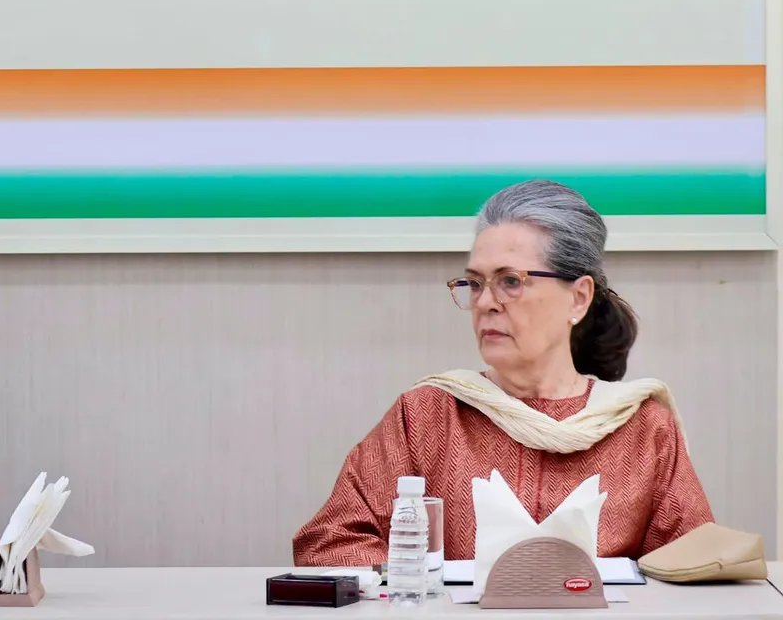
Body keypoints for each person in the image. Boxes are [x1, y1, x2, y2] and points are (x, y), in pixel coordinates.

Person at [293, 180, 713, 567]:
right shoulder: (427, 416)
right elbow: (329, 542)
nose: (485, 303)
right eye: (475, 284)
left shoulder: (642, 428)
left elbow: (694, 563)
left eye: (510, 281)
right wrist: (422, 588)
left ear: (578, 298)